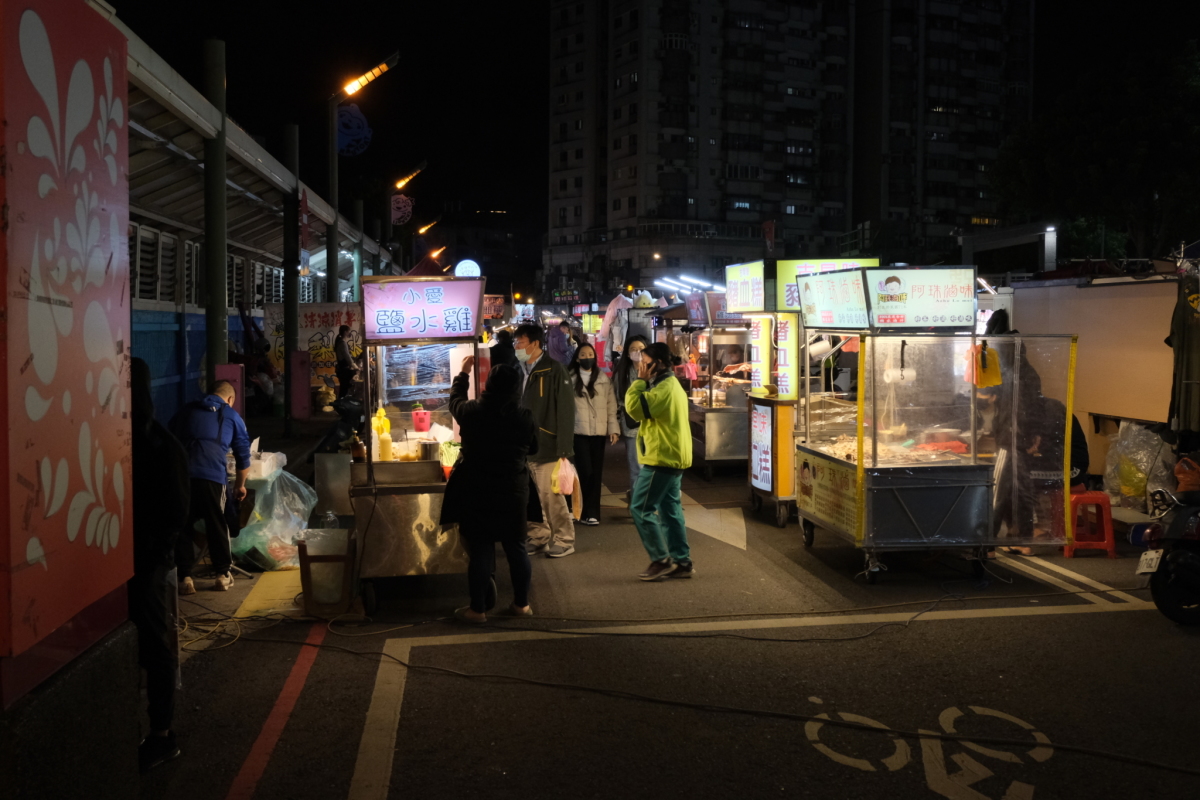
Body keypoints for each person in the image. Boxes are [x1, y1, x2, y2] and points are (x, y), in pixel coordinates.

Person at [442, 359, 538, 623]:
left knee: (481, 548)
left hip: (478, 490)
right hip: (513, 491)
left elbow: (454, 400)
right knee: (516, 547)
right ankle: (521, 605)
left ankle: (478, 610)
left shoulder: (472, 411)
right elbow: (534, 448)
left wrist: (463, 373)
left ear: (489, 385)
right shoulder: (525, 417)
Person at [130, 358, 190, 771]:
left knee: (154, 646)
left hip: (146, 562)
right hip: (144, 558)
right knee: (151, 645)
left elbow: (175, 513)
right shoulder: (156, 442)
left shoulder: (157, 444)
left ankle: (162, 734)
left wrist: (156, 553)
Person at [170, 381, 251, 593]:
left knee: (183, 524)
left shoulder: (186, 410)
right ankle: (222, 574)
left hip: (182, 475)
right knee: (217, 522)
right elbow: (243, 455)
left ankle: (184, 578)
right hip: (212, 475)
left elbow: (170, 437)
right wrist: (240, 486)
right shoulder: (231, 415)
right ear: (230, 399)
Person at [625, 342, 694, 581]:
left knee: (640, 508)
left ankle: (660, 559)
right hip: (671, 455)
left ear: (659, 363)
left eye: (645, 363)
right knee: (670, 510)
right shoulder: (668, 384)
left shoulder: (664, 388)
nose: (641, 368)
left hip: (662, 457)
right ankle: (682, 561)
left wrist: (639, 382)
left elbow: (634, 408)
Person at [514, 323, 577, 557]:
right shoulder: (518, 370)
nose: (516, 346)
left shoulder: (554, 370)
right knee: (531, 499)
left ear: (535, 344)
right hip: (523, 447)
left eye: (520, 342)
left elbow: (566, 411)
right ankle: (538, 536)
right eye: (516, 342)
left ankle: (564, 539)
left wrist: (564, 448)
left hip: (547, 444)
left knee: (552, 497)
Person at [568, 343, 620, 526]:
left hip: (598, 432)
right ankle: (581, 510)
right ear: (577, 358)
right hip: (578, 431)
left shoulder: (604, 380)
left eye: (590, 354)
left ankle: (592, 513)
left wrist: (613, 429)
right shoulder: (569, 379)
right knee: (585, 471)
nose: (587, 357)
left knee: (596, 473)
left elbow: (611, 406)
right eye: (583, 354)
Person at [613, 334, 649, 503]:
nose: (637, 352)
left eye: (641, 349)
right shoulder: (622, 374)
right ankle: (638, 506)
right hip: (632, 427)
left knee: (652, 468)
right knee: (637, 468)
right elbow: (616, 399)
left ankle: (648, 503)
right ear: (627, 353)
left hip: (653, 426)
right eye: (633, 349)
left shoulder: (654, 371)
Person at [334, 324, 359, 399]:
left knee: (344, 389)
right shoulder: (342, 343)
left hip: (342, 370)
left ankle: (341, 402)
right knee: (344, 390)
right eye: (349, 331)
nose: (350, 333)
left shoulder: (341, 342)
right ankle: (341, 403)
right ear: (345, 332)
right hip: (344, 371)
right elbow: (347, 357)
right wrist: (355, 367)